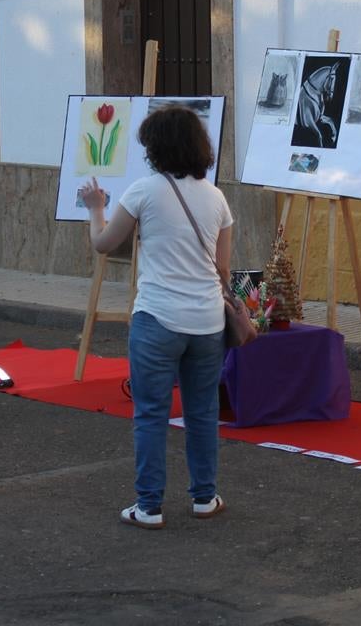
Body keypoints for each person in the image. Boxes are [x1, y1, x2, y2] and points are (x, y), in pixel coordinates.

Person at [81, 105, 233, 530]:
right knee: (202, 411)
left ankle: (149, 505)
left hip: (158, 316)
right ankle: (205, 497)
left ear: (156, 148)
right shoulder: (217, 196)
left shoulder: (144, 191)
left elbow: (104, 243)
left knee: (151, 412)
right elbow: (223, 269)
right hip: (207, 321)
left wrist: (96, 208)